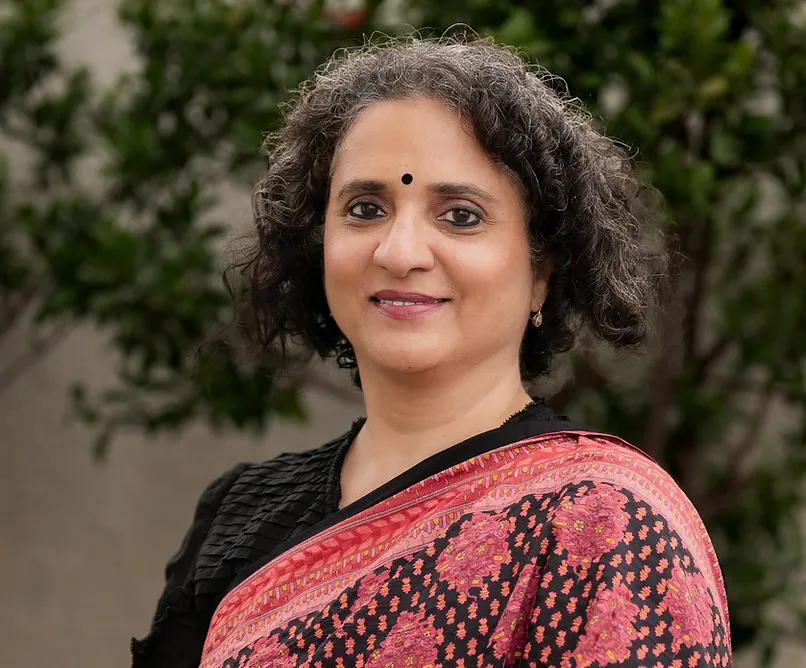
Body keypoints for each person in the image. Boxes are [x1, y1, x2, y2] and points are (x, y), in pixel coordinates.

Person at [131, 35, 732, 668]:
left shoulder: (605, 522)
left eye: (461, 216)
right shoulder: (240, 514)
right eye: (366, 208)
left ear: (543, 271)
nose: (399, 252)